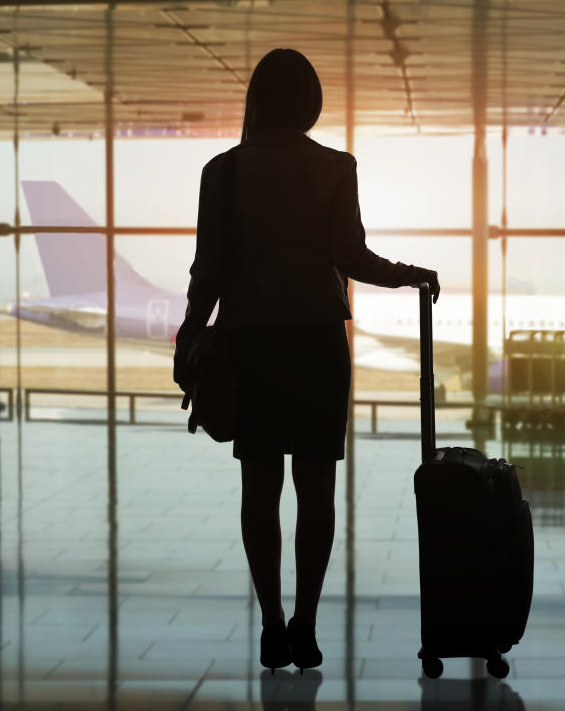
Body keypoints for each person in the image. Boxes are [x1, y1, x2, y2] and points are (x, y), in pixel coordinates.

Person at [173, 48, 440, 671]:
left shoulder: (223, 171)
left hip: (252, 346)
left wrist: (189, 336)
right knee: (316, 491)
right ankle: (307, 625)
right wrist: (410, 276)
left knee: (259, 489)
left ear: (257, 101)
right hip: (318, 345)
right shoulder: (335, 167)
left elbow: (206, 273)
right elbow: (352, 257)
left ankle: (270, 624)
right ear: (311, 103)